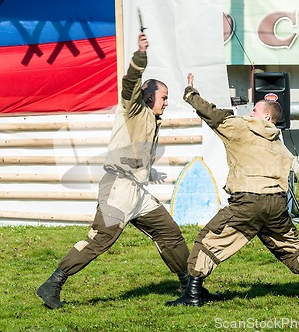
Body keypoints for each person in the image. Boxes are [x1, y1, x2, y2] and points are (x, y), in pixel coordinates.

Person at [37, 34, 219, 309]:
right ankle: (52, 285)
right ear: (148, 97)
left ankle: (190, 289)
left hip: (137, 192)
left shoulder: (151, 118)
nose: (166, 103)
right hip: (118, 189)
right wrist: (140, 55)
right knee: (100, 241)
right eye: (164, 98)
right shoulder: (133, 109)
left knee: (170, 233)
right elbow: (130, 82)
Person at [166, 73, 299, 307]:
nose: (250, 114)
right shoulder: (277, 141)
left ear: (266, 116)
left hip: (248, 202)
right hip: (277, 204)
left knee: (208, 241)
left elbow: (212, 114)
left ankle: (193, 295)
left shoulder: (241, 127)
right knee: (291, 245)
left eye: (255, 110)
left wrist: (190, 93)